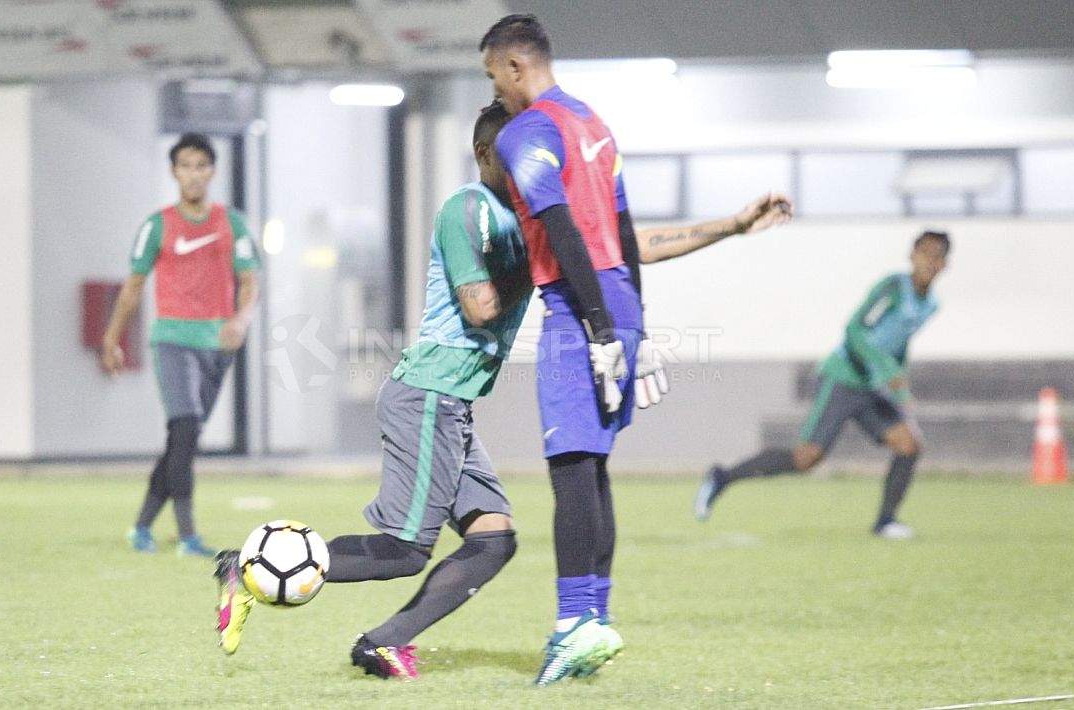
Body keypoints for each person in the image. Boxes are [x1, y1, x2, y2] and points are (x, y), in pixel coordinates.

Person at [479, 13, 793, 685]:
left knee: (570, 466)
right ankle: (593, 620)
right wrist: (634, 324)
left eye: (493, 77)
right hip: (617, 297)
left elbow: (561, 227)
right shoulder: (594, 124)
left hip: (577, 306)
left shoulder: (527, 132)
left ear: (514, 67)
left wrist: (591, 325)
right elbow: (620, 227)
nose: (496, 93)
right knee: (593, 469)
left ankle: (572, 627)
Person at [213, 102, 530, 681]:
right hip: (428, 395)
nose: (532, 163)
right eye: (519, 151)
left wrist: (727, 227)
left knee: (494, 540)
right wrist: (542, 258)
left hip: (450, 404)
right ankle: (248, 569)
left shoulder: (524, 216)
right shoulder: (470, 208)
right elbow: (481, 307)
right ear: (485, 153)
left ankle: (383, 641)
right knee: (405, 552)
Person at [695, 230, 951, 540]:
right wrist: (886, 370)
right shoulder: (894, 288)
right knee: (807, 459)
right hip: (843, 377)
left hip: (872, 386)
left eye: (936, 256)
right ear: (912, 255)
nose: (929, 262)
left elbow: (898, 343)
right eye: (924, 253)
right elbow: (855, 330)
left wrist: (899, 382)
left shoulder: (930, 304)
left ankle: (886, 522)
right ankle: (723, 477)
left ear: (944, 264)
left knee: (909, 445)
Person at [101, 132, 260, 557]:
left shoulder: (232, 223)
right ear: (174, 171)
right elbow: (133, 286)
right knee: (185, 429)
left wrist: (241, 319)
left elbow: (250, 280)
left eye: (202, 166)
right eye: (185, 165)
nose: (194, 174)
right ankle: (188, 536)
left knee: (182, 439)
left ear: (213, 171)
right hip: (172, 339)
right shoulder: (158, 225)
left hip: (218, 344)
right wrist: (112, 338)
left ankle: (141, 528)